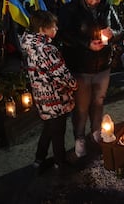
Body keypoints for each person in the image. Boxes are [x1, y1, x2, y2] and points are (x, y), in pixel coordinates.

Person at [58, 0, 123, 158]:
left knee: (98, 102)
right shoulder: (70, 10)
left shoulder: (106, 7)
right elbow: (63, 34)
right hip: (80, 67)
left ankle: (96, 132)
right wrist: (87, 43)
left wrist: (112, 33)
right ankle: (79, 138)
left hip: (103, 65)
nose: (95, 2)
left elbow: (120, 29)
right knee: (81, 106)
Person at [20, 10, 77, 170]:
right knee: (58, 131)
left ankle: (39, 159)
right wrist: (74, 85)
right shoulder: (47, 49)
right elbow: (61, 74)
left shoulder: (30, 46)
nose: (56, 29)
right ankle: (60, 162)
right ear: (43, 28)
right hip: (55, 98)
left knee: (48, 128)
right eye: (53, 26)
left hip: (41, 97)